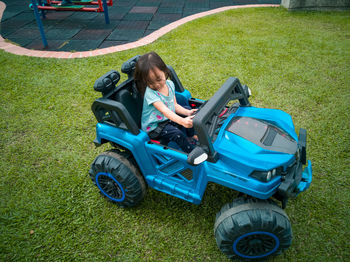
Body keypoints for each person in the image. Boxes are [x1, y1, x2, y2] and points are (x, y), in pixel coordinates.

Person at [134, 52, 197, 153]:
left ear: (164, 71)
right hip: (155, 127)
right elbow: (165, 110)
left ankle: (191, 136)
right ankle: (191, 152)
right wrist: (182, 121)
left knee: (189, 110)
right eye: (150, 82)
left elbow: (174, 105)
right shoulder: (150, 94)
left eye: (158, 79)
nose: (156, 84)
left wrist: (187, 113)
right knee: (177, 134)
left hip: (167, 119)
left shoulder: (170, 84)